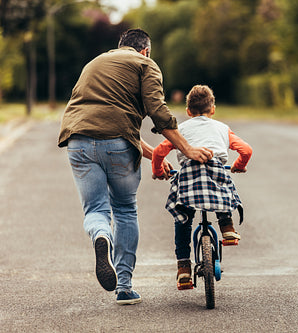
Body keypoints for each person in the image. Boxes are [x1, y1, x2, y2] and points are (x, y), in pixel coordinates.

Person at [57, 29, 213, 305]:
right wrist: (187, 149)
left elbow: (113, 122)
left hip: (77, 141)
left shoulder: (94, 63)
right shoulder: (145, 64)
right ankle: (124, 287)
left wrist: (157, 156)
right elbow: (157, 110)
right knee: (125, 209)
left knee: (95, 210)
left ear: (120, 47)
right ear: (146, 51)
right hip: (117, 145)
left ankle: (101, 236)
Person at [151, 85, 252, 289]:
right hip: (215, 174)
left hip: (189, 179)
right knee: (223, 186)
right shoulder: (222, 128)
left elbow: (158, 152)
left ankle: (184, 270)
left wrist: (158, 170)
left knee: (184, 220)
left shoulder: (180, 131)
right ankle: (227, 227)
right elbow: (246, 150)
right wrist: (238, 166)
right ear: (212, 109)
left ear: (188, 111)